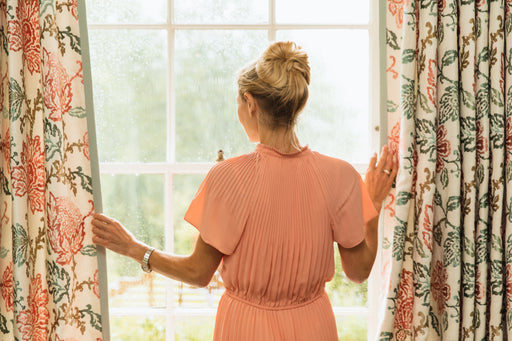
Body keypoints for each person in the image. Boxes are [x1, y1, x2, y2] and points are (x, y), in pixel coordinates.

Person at [92, 41, 398, 340]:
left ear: (250, 103)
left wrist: (134, 248)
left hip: (244, 328)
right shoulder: (341, 176)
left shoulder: (227, 176)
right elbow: (358, 272)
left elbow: (198, 272)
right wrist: (370, 203)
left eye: (238, 103)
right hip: (313, 327)